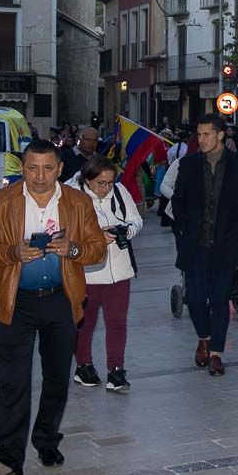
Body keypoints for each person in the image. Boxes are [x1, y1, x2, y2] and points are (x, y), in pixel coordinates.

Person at [0, 140, 106, 475]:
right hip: (15, 301)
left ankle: (47, 439)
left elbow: (97, 249)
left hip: (61, 300)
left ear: (60, 169)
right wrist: (11, 253)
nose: (40, 176)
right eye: (32, 168)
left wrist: (74, 248)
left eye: (47, 168)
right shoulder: (1, 201)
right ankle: (8, 453)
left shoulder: (78, 202)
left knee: (55, 379)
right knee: (12, 382)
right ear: (22, 168)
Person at [170, 114, 238, 376]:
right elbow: (177, 200)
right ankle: (204, 337)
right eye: (199, 135)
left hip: (226, 244)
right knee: (196, 299)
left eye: (207, 134)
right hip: (195, 244)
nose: (202, 139)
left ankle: (217, 353)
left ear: (221, 134)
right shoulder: (187, 165)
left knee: (221, 299)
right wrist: (183, 226)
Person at [66, 157, 143, 393]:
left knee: (117, 322)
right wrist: (97, 235)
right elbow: (64, 231)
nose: (106, 188)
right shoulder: (71, 194)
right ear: (88, 180)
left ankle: (116, 369)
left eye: (110, 182)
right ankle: (84, 365)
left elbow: (136, 220)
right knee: (85, 323)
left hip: (119, 270)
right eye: (101, 183)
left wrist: (125, 231)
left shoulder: (119, 192)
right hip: (87, 272)